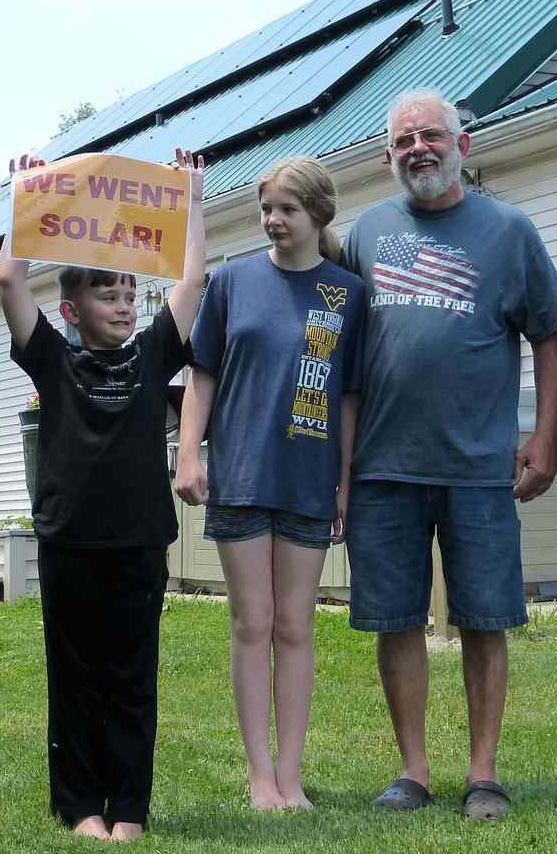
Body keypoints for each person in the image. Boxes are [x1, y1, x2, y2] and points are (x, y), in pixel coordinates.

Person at [341, 89, 557, 822]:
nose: (419, 148)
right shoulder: (364, 234)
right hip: (383, 466)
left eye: (432, 135)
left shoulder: (509, 230)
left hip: (479, 465)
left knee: (485, 617)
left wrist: (542, 437)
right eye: (404, 140)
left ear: (462, 146)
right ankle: (412, 771)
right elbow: (342, 352)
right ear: (387, 157)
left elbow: (549, 337)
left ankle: (484, 774)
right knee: (395, 619)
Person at [0, 147, 206, 842]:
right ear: (71, 307)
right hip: (69, 542)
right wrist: (28, 202)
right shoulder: (52, 358)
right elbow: (8, 279)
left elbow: (192, 281)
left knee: (130, 679)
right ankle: (81, 805)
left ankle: (131, 809)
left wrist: (194, 201)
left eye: (128, 296)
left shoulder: (152, 355)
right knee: (77, 679)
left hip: (138, 541)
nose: (122, 306)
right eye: (106, 296)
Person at [174, 156, 364, 811]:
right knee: (252, 623)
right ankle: (259, 778)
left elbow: (348, 400)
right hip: (243, 477)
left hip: (310, 480)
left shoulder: (347, 293)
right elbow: (201, 375)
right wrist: (189, 456)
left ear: (318, 215)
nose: (273, 221)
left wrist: (343, 483)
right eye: (266, 209)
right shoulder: (232, 283)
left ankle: (291, 775)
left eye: (286, 209)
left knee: (295, 625)